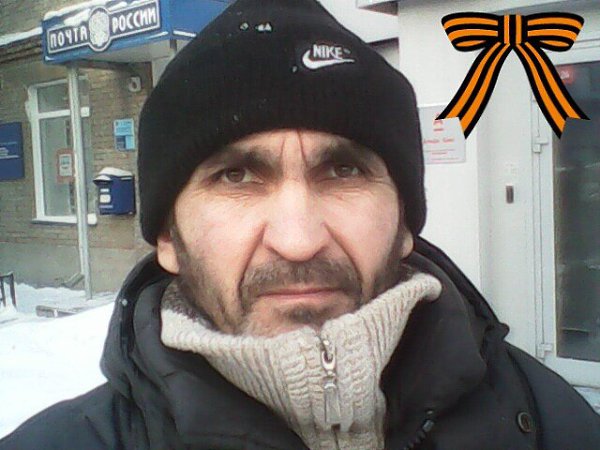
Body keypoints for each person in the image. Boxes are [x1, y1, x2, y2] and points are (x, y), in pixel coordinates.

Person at [2, 0, 599, 449]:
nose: (298, 240)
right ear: (167, 237)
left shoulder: (556, 423)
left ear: (404, 224)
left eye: (344, 170)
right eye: (236, 176)